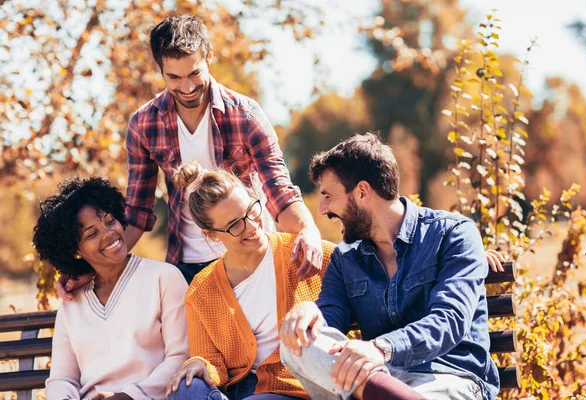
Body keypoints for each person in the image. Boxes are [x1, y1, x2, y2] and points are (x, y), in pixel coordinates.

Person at [57, 15, 322, 295]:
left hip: (249, 254)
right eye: (174, 77)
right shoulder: (145, 124)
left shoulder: (246, 115)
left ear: (209, 56)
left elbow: (278, 191)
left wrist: (308, 229)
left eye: (194, 73)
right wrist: (92, 268)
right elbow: (137, 212)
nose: (187, 87)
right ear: (160, 70)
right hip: (188, 266)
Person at [279, 133, 501, 400]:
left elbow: (449, 320)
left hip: (449, 378)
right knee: (296, 344)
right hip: (378, 379)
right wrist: (308, 313)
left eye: (328, 195)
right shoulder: (345, 259)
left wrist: (381, 348)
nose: (323, 209)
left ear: (362, 191)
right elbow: (329, 322)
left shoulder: (453, 234)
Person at [162, 164, 334, 400]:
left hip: (297, 387)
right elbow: (211, 362)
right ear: (211, 235)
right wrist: (199, 364)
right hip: (240, 391)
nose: (252, 226)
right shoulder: (201, 290)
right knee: (185, 389)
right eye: (234, 225)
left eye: (251, 210)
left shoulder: (308, 252)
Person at [32, 177, 189, 400]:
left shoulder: (163, 277)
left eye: (110, 220)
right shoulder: (72, 301)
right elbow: (62, 378)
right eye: (91, 234)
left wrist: (128, 396)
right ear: (75, 250)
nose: (108, 233)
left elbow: (182, 356)